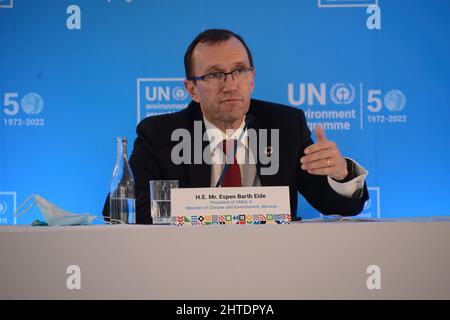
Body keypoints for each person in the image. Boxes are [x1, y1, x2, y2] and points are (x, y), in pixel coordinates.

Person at [103, 29, 369, 224]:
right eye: (215, 74)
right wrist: (206, 211)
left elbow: (339, 206)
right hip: (187, 261)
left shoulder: (285, 125)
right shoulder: (160, 134)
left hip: (275, 260)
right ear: (192, 89)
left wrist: (340, 174)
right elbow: (119, 209)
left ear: (251, 79)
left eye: (239, 70)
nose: (230, 84)